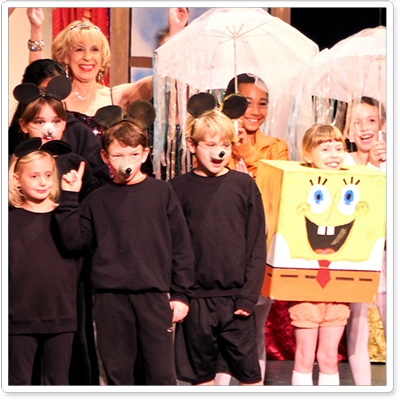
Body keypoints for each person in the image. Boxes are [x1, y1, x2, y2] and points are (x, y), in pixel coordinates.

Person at [54, 102, 194, 385]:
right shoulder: (96, 199)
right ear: (105, 156)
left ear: (145, 153)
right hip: (110, 299)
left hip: (155, 296)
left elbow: (181, 246)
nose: (126, 161)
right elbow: (73, 243)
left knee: (161, 375)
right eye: (117, 155)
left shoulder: (162, 193)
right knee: (116, 375)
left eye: (133, 154)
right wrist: (69, 198)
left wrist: (180, 294)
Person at [170, 103, 266, 385]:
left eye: (225, 145)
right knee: (202, 377)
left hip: (236, 300)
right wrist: (179, 294)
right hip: (195, 301)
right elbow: (174, 248)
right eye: (210, 145)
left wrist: (249, 295)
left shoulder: (244, 186)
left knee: (250, 377)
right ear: (192, 145)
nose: (219, 152)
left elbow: (256, 245)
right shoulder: (176, 189)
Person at [26, 8, 188, 135]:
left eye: (95, 50)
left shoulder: (117, 97)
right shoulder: (57, 99)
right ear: (65, 56)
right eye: (79, 49)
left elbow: (164, 81)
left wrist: (176, 32)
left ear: (102, 57)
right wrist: (36, 29)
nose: (87, 57)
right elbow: (34, 81)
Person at [8, 138, 78, 385]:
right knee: (17, 381)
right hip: (18, 317)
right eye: (34, 176)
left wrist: (70, 199)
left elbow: (77, 252)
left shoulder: (66, 216)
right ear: (17, 179)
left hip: (60, 315)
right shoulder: (10, 222)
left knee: (57, 381)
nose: (43, 182)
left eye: (48, 175)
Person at [290, 124, 351, 386]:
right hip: (306, 288)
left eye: (338, 148)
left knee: (328, 357)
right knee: (305, 356)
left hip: (339, 288)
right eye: (325, 149)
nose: (334, 154)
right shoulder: (299, 188)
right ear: (308, 155)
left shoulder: (353, 186)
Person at [9, 59, 111, 185]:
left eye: (57, 91)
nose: (49, 99)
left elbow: (99, 182)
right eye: (39, 122)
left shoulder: (78, 136)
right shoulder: (13, 144)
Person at [343, 97, 387, 385]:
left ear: (382, 125)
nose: (364, 128)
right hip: (356, 257)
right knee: (357, 327)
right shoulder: (343, 163)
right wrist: (370, 167)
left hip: (385, 255)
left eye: (371, 120)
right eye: (356, 122)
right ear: (347, 131)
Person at [14, 77, 98, 202]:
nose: (49, 130)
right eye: (39, 122)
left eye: (56, 121)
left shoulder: (75, 163)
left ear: (64, 124)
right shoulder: (14, 164)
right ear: (24, 126)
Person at [224, 73, 289, 179]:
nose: (256, 112)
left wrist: (246, 151)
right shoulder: (214, 144)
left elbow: (276, 183)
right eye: (247, 103)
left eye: (262, 104)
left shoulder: (276, 147)